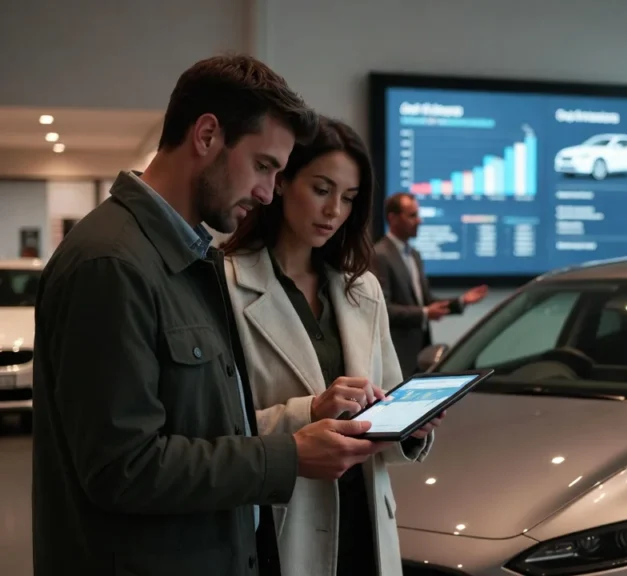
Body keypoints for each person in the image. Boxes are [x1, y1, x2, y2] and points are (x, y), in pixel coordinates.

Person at [31, 55, 386, 576]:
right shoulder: (111, 263)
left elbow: (213, 425)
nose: (268, 192)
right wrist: (287, 455)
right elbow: (123, 468)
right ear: (206, 136)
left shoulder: (188, 260)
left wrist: (306, 421)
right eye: (263, 165)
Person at [220, 116, 441, 575]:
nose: (334, 211)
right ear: (281, 183)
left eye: (349, 198)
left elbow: (388, 398)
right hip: (284, 521)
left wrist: (409, 426)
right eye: (322, 189)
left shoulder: (363, 289)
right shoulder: (225, 284)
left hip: (365, 518)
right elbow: (213, 430)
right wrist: (309, 412)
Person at [373, 192, 488, 377]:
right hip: (396, 354)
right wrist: (425, 313)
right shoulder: (380, 255)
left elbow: (426, 301)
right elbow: (382, 309)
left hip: (421, 353)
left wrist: (461, 302)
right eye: (412, 216)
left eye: (417, 215)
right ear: (392, 218)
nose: (419, 221)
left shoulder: (414, 255)